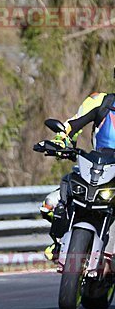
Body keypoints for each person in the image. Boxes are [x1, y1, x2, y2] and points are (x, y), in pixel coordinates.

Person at [41, 75, 115, 261]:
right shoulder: (102, 101)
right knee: (51, 203)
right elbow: (71, 125)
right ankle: (60, 241)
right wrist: (60, 141)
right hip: (98, 168)